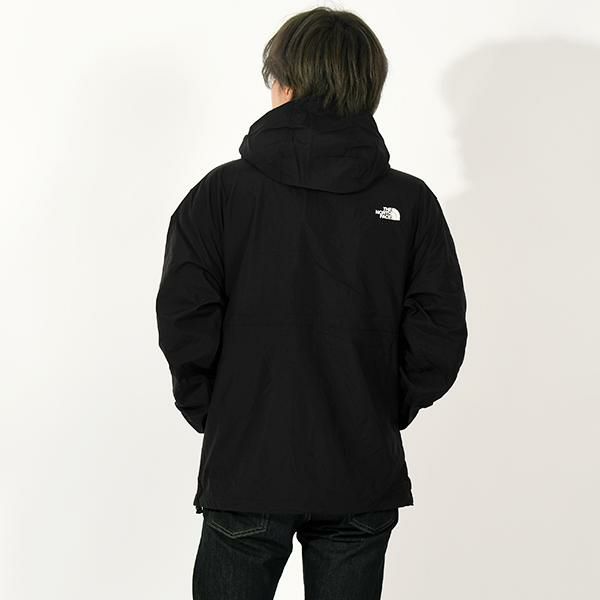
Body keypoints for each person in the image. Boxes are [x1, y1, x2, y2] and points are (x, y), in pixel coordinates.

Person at [155, 6, 468, 600]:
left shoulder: (221, 194)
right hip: (359, 465)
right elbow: (440, 333)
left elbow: (183, 320)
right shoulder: (411, 202)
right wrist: (375, 406)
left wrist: (224, 415)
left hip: (247, 466)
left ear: (286, 84)